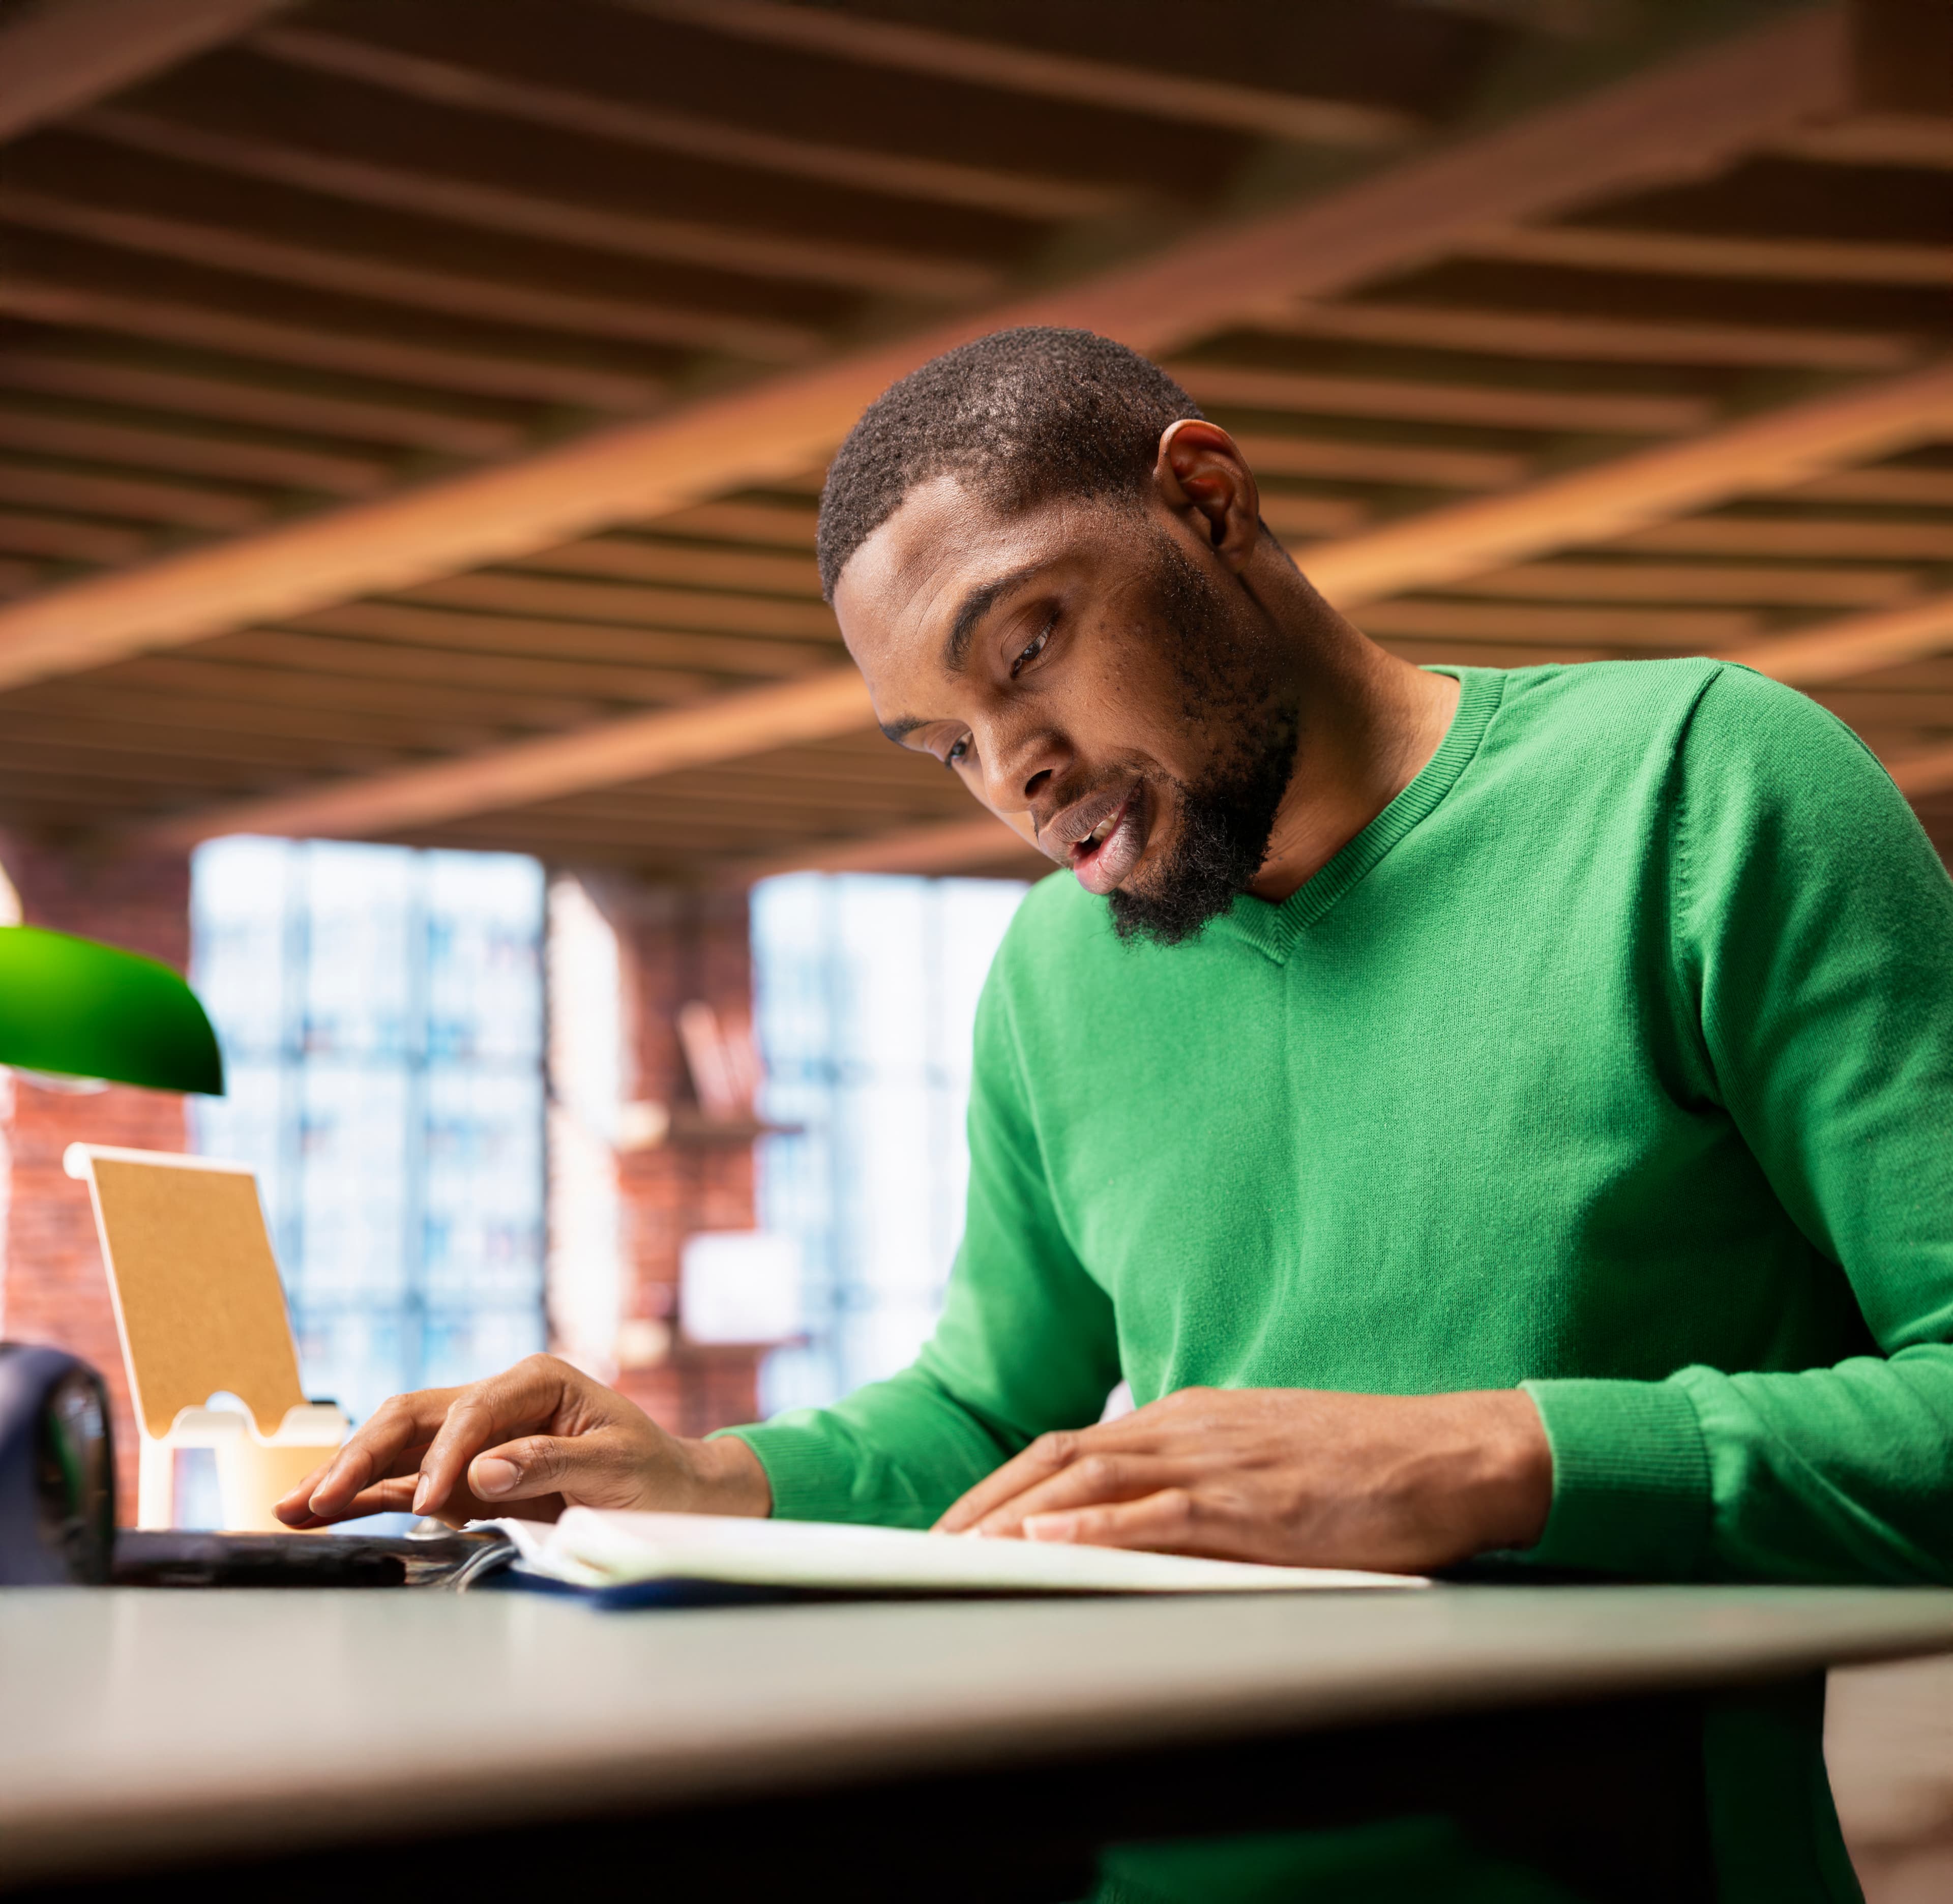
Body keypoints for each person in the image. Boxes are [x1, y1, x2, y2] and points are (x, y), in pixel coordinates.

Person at [283, 329, 1953, 1900]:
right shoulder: (1051, 975)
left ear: (1208, 501)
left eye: (1026, 646)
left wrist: (1489, 1458)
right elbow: (987, 1412)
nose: (1016, 769)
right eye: (945, 745)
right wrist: (703, 1476)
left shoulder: (1701, 787)